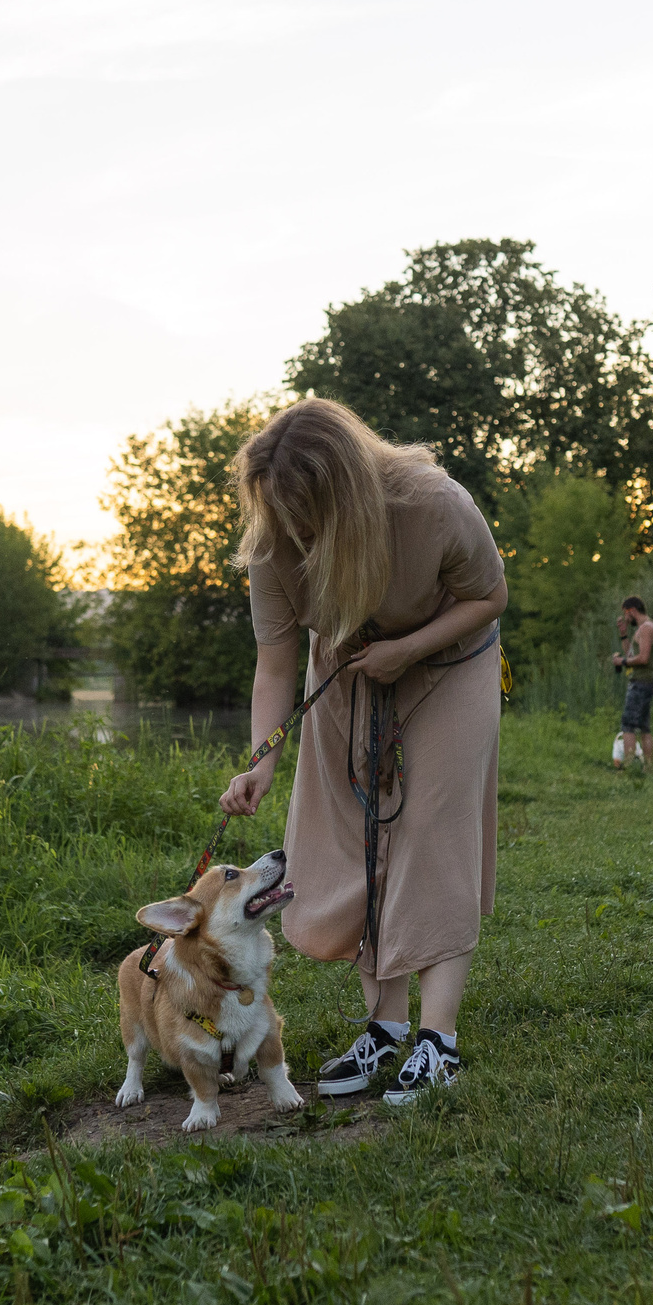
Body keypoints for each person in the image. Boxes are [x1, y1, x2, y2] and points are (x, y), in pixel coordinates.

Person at [218, 399, 507, 1105]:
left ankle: (438, 1037)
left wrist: (407, 648)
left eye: (311, 517)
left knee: (433, 829)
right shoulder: (272, 540)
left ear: (348, 492)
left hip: (448, 659)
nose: (298, 534)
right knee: (358, 835)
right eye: (286, 517)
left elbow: (490, 594)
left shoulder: (435, 505)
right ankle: (384, 1022)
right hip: (349, 667)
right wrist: (261, 759)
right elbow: (276, 662)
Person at [611, 595, 653, 769]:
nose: (625, 618)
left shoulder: (646, 629)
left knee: (628, 725)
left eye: (626, 614)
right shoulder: (643, 629)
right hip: (645, 682)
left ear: (632, 610)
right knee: (644, 727)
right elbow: (632, 655)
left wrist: (621, 662)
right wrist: (624, 635)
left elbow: (643, 658)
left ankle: (630, 767)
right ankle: (648, 768)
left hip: (641, 682)